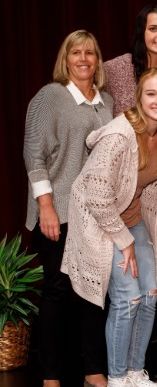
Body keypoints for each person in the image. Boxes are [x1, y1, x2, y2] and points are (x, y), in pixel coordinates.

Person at [61, 67, 157, 387]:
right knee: (128, 298)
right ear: (139, 97)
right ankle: (116, 378)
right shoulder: (121, 134)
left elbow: (148, 192)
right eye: (151, 94)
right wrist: (124, 242)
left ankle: (135, 374)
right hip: (100, 222)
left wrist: (139, 237)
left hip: (131, 219)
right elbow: (96, 192)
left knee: (149, 294)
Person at [24, 30, 113, 387]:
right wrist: (45, 205)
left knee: (93, 292)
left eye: (90, 53)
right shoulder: (51, 96)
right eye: (76, 52)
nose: (83, 59)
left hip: (94, 214)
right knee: (59, 291)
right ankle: (49, 375)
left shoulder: (105, 100)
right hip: (58, 210)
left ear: (97, 60)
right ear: (66, 58)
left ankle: (93, 370)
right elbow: (34, 154)